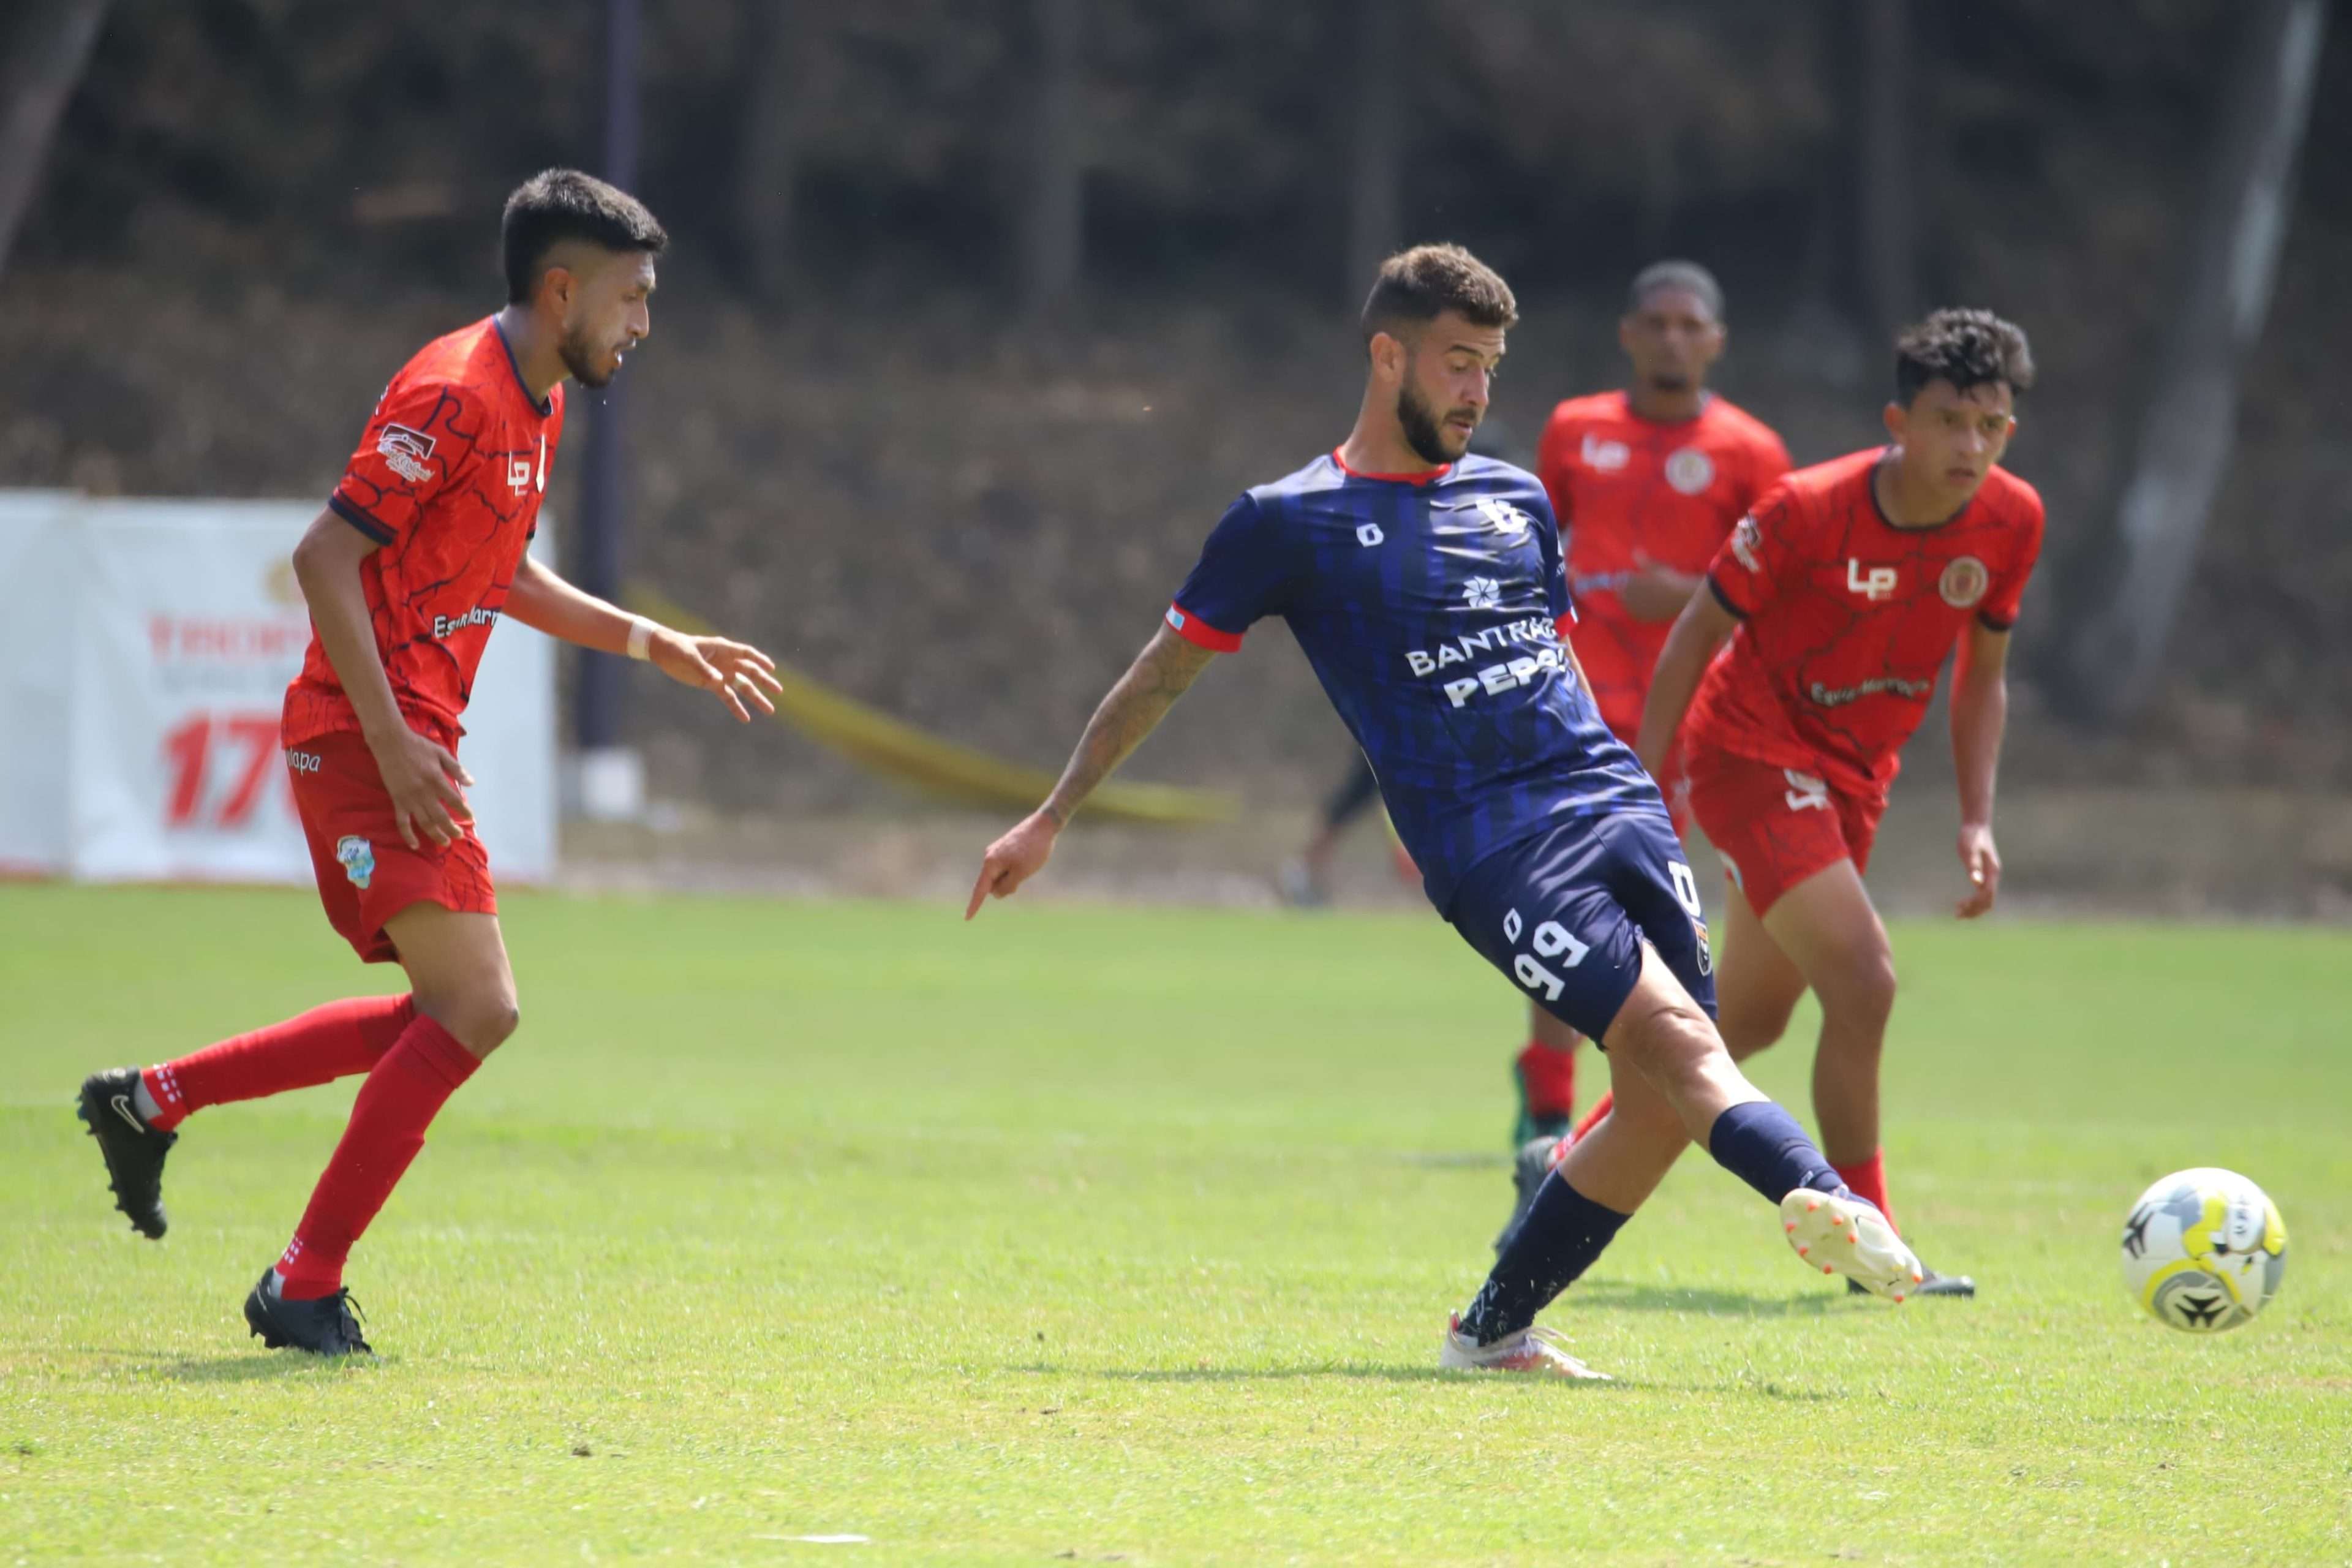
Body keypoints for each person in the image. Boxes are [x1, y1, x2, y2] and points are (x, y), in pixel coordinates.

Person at [965, 244, 1922, 1379]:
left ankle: (1492, 1332)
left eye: (1491, 367)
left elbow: (1549, 664)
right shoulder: (1288, 522)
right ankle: (1817, 1194)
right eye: (1457, 363)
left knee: (1665, 1096)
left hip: (1616, 806)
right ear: (1388, 357)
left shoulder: (1518, 497)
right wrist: (1054, 814)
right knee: (1675, 1044)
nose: (1477, 390)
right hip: (1493, 848)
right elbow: (1163, 672)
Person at [74, 170, 785, 1356]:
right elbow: (322, 559)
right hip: (365, 737)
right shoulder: (455, 393)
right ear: (562, 291)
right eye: (632, 297)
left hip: (404, 740)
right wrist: (396, 742)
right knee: (480, 1005)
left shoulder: (537, 401)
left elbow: (497, 567)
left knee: (439, 1012)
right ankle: (300, 1281)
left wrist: (654, 639)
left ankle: (153, 1099)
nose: (644, 323)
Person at [1569, 307, 2045, 1298]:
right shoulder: (1804, 508)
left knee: (1741, 1026)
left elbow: (1982, 676)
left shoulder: (2012, 520)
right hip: (1747, 751)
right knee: (1865, 981)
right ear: (1897, 422)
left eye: (1992, 427)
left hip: (1853, 778)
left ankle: (1566, 1166)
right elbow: (1696, 634)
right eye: (1950, 422)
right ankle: (1873, 1245)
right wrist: (1644, 787)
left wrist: (1976, 816)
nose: (1971, 447)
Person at [1502, 262, 1789, 1167]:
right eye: (1656, 323)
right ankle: (1549, 1103)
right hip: (1573, 707)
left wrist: (1695, 598)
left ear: (1715, 341)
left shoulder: (1753, 453)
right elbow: (1534, 556)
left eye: (1689, 324)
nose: (1672, 338)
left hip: (1691, 719)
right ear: (1629, 334)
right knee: (1562, 899)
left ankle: (1629, 1100)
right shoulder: (1575, 429)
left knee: (1658, 914)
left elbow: (1781, 594)